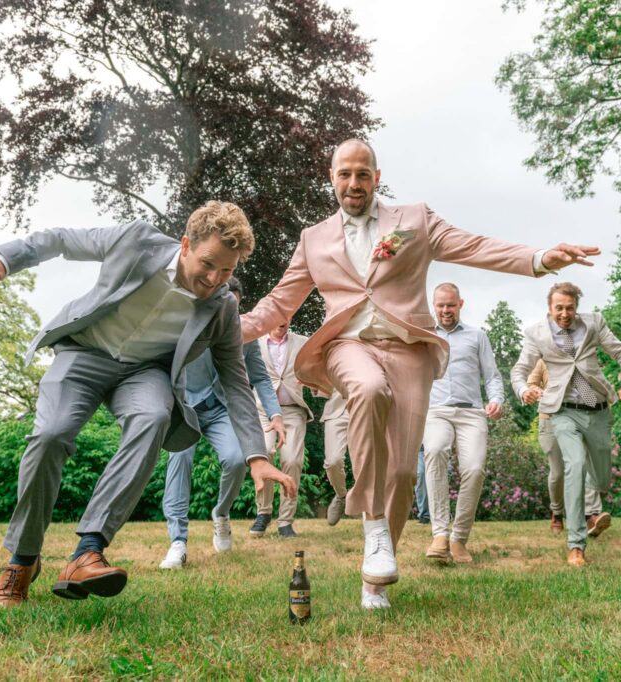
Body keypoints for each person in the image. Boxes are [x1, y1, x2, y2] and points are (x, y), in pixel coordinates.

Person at [240, 138, 600, 609]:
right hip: (349, 346)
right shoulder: (314, 239)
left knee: (405, 471)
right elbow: (278, 303)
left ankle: (374, 581)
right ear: (332, 177)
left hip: (409, 349)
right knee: (367, 389)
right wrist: (226, 328)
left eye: (363, 174)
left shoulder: (413, 221)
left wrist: (538, 259)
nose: (354, 183)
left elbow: (473, 246)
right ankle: (373, 525)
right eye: (345, 174)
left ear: (377, 177)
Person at [0, 201, 294, 607]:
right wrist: (5, 258)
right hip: (85, 352)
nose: (215, 279)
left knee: (154, 416)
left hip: (145, 372)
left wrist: (256, 456)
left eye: (227, 271)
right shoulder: (136, 240)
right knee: (51, 435)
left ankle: (88, 552)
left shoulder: (222, 305)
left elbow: (236, 381)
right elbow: (61, 240)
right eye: (208, 264)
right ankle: (23, 559)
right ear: (185, 245)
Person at [158, 277, 286, 569]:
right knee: (180, 460)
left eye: (234, 308)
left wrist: (275, 414)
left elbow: (260, 378)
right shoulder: (185, 322)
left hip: (220, 409)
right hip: (185, 406)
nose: (226, 313)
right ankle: (177, 541)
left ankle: (222, 513)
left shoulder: (246, 335)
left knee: (237, 459)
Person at [511, 282, 621, 567]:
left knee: (601, 477)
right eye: (559, 308)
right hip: (562, 411)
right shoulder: (536, 333)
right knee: (574, 464)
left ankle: (594, 500)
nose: (564, 314)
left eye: (569, 308)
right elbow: (520, 370)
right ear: (549, 308)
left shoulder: (594, 323)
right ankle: (576, 545)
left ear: (576, 307)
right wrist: (524, 390)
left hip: (597, 409)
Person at [422, 283, 504, 564]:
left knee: (475, 469)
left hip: (472, 413)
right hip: (436, 411)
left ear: (460, 304)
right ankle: (439, 535)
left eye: (451, 305)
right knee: (435, 451)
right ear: (434, 306)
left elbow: (492, 376)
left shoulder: (477, 336)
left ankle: (458, 539)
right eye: (441, 305)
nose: (446, 310)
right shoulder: (425, 336)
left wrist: (496, 400)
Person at [527, 359, 609, 537]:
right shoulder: (544, 359)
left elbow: (598, 383)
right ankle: (557, 513)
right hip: (551, 418)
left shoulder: (586, 356)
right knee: (558, 472)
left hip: (583, 417)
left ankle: (591, 516)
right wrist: (539, 392)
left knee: (586, 464)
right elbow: (531, 384)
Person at [250, 320, 313, 538]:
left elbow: (318, 368)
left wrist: (314, 382)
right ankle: (263, 512)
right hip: (263, 411)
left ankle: (285, 521)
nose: (281, 321)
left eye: (286, 316)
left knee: (292, 461)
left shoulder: (303, 342)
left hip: (292, 410)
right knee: (264, 454)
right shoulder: (254, 343)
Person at [319, 389, 351, 525]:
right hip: (337, 409)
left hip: (369, 408)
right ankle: (341, 495)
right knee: (333, 461)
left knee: (367, 463)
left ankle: (372, 515)